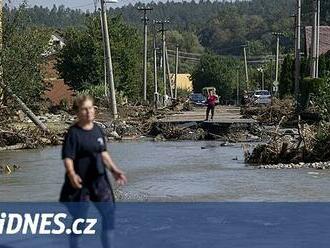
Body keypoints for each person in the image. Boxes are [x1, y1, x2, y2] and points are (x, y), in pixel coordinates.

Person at [59, 95, 127, 247]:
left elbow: (103, 153)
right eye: (84, 109)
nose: (89, 112)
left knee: (109, 215)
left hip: (99, 181)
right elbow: (68, 157)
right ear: (78, 112)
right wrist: (71, 174)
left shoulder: (97, 130)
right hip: (80, 183)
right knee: (80, 221)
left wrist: (114, 170)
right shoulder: (73, 133)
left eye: (91, 108)